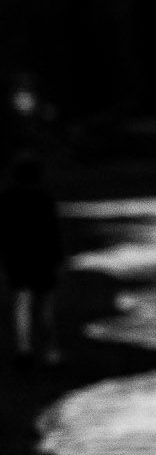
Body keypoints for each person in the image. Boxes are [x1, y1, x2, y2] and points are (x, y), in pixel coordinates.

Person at [0, 153, 64, 369]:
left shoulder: (7, 199)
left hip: (17, 258)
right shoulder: (44, 198)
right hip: (42, 257)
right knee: (46, 305)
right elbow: (53, 231)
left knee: (22, 303)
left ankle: (24, 349)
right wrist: (58, 258)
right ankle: (51, 351)